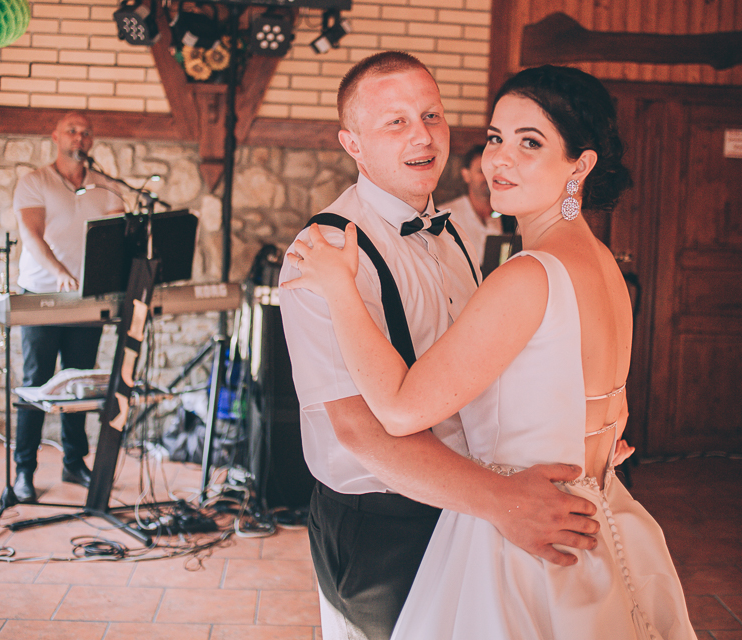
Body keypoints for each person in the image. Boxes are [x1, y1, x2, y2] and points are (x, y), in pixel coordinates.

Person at [283, 65, 696, 639]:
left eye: (431, 115)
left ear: (579, 165)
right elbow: (362, 430)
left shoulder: (493, 254)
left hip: (511, 515)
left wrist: (565, 446)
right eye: (395, 122)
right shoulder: (325, 252)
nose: (422, 136)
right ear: (352, 143)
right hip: (390, 523)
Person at [12, 112, 123, 504]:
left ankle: (74, 463)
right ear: (56, 137)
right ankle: (24, 471)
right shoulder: (35, 182)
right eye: (72, 130)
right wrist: (59, 271)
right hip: (42, 297)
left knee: (78, 383)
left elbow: (117, 238)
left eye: (86, 132)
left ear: (92, 141)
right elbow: (31, 234)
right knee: (36, 382)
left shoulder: (106, 186)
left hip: (86, 301)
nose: (80, 137)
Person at [441, 144, 504, 265]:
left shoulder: (510, 214)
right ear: (466, 175)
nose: (488, 177)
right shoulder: (446, 216)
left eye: (493, 171)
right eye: (481, 171)